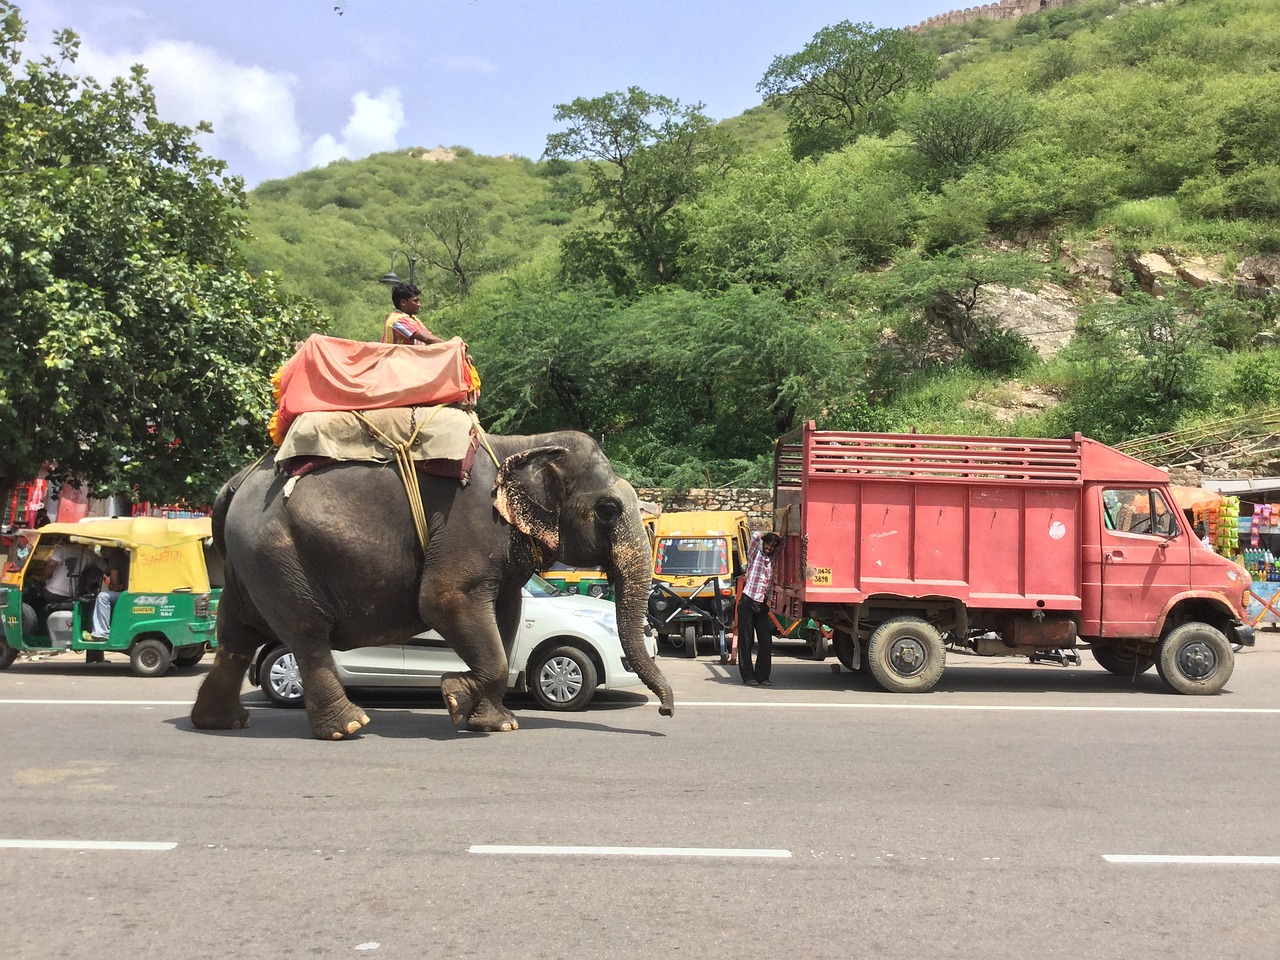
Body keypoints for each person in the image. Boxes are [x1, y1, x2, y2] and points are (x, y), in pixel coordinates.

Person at [737, 532, 781, 687]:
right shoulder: (755, 555)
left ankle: (763, 676)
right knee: (746, 641)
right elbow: (755, 537)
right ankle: (748, 676)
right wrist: (766, 534)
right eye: (767, 544)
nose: (769, 548)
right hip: (747, 602)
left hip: (761, 604)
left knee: (766, 642)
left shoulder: (773, 559)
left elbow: (783, 545)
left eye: (772, 546)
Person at [88, 547, 129, 644]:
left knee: (103, 596)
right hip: (128, 592)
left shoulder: (116, 557)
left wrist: (113, 586)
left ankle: (101, 633)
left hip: (127, 594)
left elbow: (114, 584)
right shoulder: (123, 555)